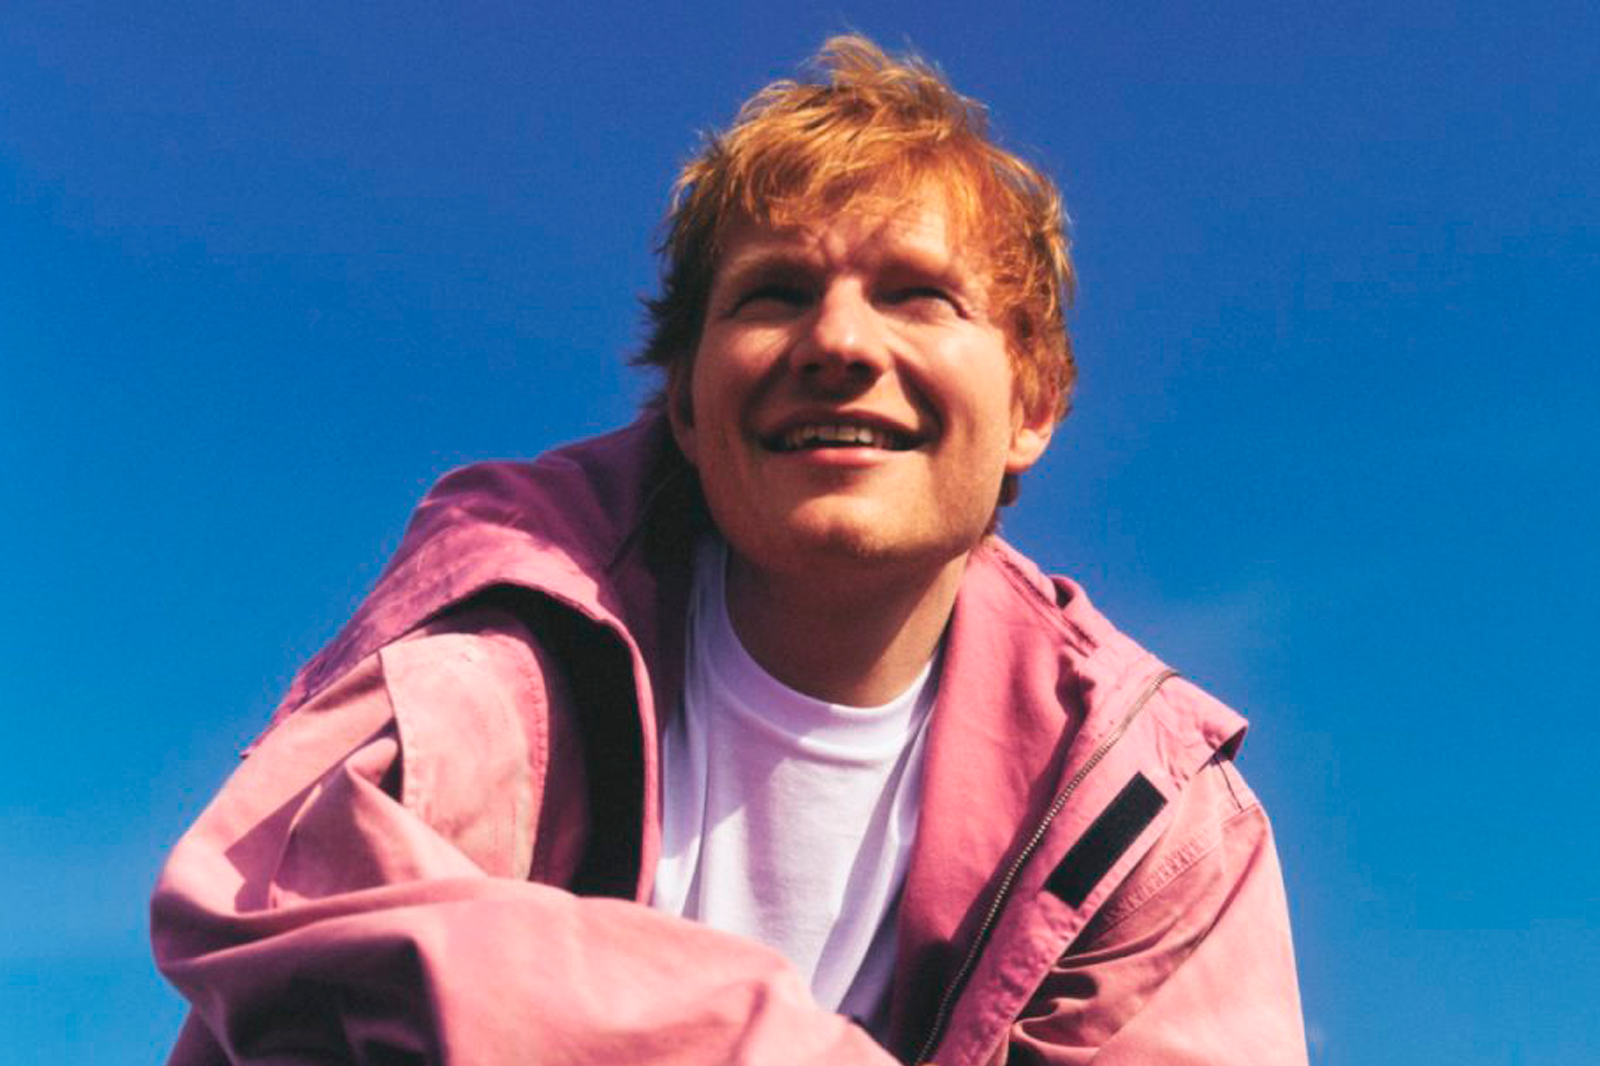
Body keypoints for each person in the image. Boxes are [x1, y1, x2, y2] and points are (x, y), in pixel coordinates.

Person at [152, 35, 1308, 1065]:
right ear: (687, 407)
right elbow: (278, 886)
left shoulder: (1153, 814)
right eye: (774, 293)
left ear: (1032, 406)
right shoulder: (510, 599)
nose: (838, 341)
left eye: (917, 295)